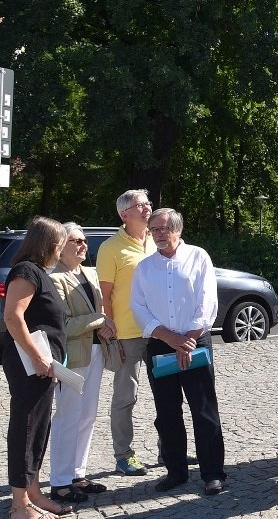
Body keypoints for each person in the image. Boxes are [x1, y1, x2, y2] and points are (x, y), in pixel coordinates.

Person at [130, 209, 227, 496]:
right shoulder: (145, 267)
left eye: (163, 228)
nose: (158, 234)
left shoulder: (198, 257)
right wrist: (169, 338)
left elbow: (207, 301)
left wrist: (187, 339)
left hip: (195, 341)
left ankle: (212, 473)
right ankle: (176, 471)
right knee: (167, 412)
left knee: (204, 409)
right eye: (154, 230)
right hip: (161, 344)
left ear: (178, 229)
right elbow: (138, 307)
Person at [2, 216, 73, 519]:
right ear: (50, 243)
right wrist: (37, 357)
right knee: (27, 428)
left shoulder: (38, 272)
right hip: (30, 365)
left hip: (41, 365)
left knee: (38, 428)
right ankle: (19, 506)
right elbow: (12, 316)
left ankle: (33, 495)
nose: (62, 250)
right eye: (61, 244)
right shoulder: (26, 270)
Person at [47, 223, 114, 504]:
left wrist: (104, 324)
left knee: (87, 416)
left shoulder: (90, 272)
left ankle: (77, 474)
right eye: (76, 241)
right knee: (68, 416)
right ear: (60, 247)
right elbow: (63, 324)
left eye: (84, 240)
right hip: (71, 357)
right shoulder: (54, 278)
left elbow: (99, 310)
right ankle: (60, 482)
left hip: (96, 351)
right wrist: (99, 321)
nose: (83, 245)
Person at [96, 188, 156, 477]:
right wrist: (110, 330)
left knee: (167, 394)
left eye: (148, 204)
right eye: (140, 205)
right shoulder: (111, 248)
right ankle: (123, 455)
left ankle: (170, 449)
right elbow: (104, 295)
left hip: (159, 332)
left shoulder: (157, 240)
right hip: (127, 334)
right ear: (124, 214)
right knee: (125, 397)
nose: (147, 208)